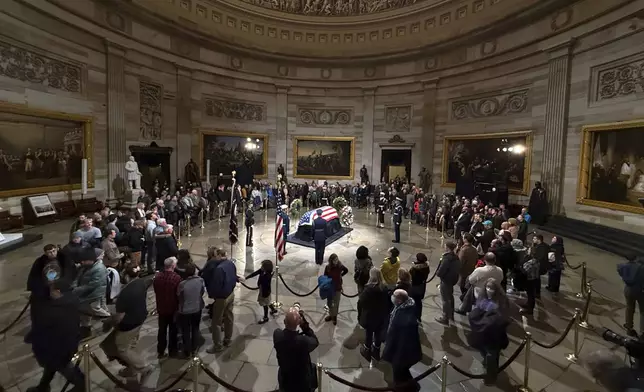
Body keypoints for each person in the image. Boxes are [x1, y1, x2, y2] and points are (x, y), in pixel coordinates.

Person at [26, 279, 85, 392]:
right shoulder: (70, 302)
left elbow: (43, 330)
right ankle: (43, 387)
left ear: (58, 291)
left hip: (58, 350)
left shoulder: (53, 311)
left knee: (69, 371)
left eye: (51, 289)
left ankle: (82, 386)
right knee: (50, 367)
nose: (49, 291)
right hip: (63, 346)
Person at [100, 264, 153, 382]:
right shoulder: (141, 283)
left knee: (123, 349)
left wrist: (108, 322)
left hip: (129, 325)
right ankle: (132, 368)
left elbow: (119, 317)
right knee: (130, 344)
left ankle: (143, 367)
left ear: (127, 277)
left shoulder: (125, 294)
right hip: (140, 318)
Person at [467, 278, 510, 386]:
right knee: (485, 352)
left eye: (492, 288)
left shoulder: (501, 301)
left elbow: (503, 318)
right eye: (487, 287)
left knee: (492, 354)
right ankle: (489, 364)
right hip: (483, 332)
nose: (489, 290)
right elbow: (477, 310)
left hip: (494, 333)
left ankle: (491, 377)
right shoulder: (482, 297)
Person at [383, 289, 422, 392]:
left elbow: (396, 337)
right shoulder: (407, 306)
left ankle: (401, 388)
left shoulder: (403, 319)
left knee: (398, 371)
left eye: (394, 295)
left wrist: (388, 351)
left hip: (402, 351)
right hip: (405, 350)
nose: (392, 296)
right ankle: (412, 386)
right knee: (403, 371)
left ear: (399, 300)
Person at [273, 307, 319, 392]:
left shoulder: (277, 334)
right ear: (298, 323)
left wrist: (290, 321)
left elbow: (284, 334)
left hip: (285, 378)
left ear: (284, 322)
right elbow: (315, 341)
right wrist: (304, 325)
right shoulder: (303, 342)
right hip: (301, 381)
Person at [203, 247, 238, 353]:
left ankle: (217, 346)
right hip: (231, 294)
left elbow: (216, 285)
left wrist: (213, 296)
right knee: (229, 317)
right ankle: (227, 340)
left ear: (218, 255)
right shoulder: (231, 263)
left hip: (221, 298)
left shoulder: (219, 269)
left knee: (216, 322)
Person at [73, 248, 110, 339]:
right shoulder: (86, 266)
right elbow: (78, 277)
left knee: (96, 310)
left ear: (91, 260)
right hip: (85, 293)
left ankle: (111, 320)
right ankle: (86, 329)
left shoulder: (99, 269)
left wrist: (75, 290)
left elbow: (92, 285)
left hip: (94, 294)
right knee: (84, 311)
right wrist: (74, 286)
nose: (82, 262)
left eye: (84, 261)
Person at [358, 268, 389, 362]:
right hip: (381, 315)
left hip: (370, 316)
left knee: (369, 333)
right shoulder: (384, 288)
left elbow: (361, 302)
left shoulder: (368, 289)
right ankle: (376, 351)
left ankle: (367, 350)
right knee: (378, 333)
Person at [153, 257, 182, 358]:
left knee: (162, 330)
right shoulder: (177, 278)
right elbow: (178, 294)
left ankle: (160, 351)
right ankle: (172, 351)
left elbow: (156, 291)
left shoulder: (157, 278)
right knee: (173, 331)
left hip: (161, 308)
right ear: (173, 266)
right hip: (173, 309)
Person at [177, 263, 205, 357]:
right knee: (195, 328)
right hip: (197, 308)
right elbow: (202, 292)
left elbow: (179, 296)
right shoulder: (200, 280)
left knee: (186, 330)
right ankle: (194, 348)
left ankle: (187, 351)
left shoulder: (182, 284)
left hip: (185, 311)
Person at [617, 253, 644, 337]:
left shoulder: (624, 266)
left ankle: (629, 327)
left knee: (629, 308)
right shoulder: (641, 268)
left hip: (628, 289)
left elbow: (620, 272)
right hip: (640, 290)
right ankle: (643, 332)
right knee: (643, 311)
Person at [435, 240, 461, 325]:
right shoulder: (456, 257)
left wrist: (438, 273)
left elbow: (442, 269)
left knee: (445, 299)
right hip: (452, 279)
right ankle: (451, 315)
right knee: (450, 296)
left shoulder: (446, 258)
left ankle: (445, 317)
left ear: (448, 247)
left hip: (446, 280)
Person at [245, 259, 278, 324]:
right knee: (268, 301)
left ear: (266, 268)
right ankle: (273, 309)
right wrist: (246, 278)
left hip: (265, 292)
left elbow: (265, 284)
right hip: (263, 290)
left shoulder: (267, 276)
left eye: (262, 266)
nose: (261, 267)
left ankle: (266, 317)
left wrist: (263, 293)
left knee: (264, 304)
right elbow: (255, 273)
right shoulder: (263, 271)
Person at [324, 253, 348, 325]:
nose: (336, 261)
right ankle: (331, 315)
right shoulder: (328, 267)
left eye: (337, 260)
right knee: (330, 303)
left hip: (337, 287)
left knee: (336, 303)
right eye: (335, 260)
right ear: (331, 261)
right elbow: (325, 276)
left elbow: (346, 270)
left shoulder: (340, 266)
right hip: (330, 288)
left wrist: (341, 276)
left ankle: (334, 317)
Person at [409, 253, 430, 321]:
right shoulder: (426, 267)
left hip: (414, 286)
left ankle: (412, 316)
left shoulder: (415, 269)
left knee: (412, 301)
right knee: (418, 302)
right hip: (422, 286)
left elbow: (410, 276)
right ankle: (418, 316)